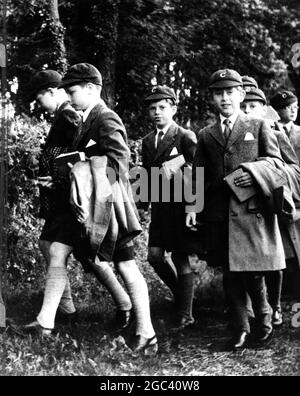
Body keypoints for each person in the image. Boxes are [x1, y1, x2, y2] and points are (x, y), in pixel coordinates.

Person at [24, 70, 134, 337]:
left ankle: (57, 316)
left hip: (76, 197)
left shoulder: (71, 115)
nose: (40, 106)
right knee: (72, 253)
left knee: (71, 253)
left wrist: (66, 179)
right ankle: (63, 313)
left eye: (40, 99)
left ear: (52, 92)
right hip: (67, 194)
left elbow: (89, 157)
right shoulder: (66, 115)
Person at [60, 63, 157, 353]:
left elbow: (118, 164)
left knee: (127, 266)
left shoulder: (106, 118)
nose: (70, 96)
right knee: (122, 265)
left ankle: (147, 333)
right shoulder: (86, 119)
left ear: (91, 88)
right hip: (99, 207)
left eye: (72, 91)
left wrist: (82, 170)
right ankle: (141, 328)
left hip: (112, 208)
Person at [186, 69, 286, 350]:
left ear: (241, 95)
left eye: (230, 92)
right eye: (219, 93)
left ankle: (264, 320)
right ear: (213, 98)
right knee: (230, 274)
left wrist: (253, 172)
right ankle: (240, 328)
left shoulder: (257, 126)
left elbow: (277, 165)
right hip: (219, 215)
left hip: (251, 212)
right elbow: (198, 175)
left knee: (253, 272)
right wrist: (193, 207)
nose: (225, 98)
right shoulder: (206, 134)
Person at [140, 86, 198, 329]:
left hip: (182, 206)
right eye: (152, 108)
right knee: (154, 256)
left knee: (180, 257)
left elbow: (196, 171)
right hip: (161, 208)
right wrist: (142, 201)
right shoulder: (147, 140)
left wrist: (193, 208)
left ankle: (186, 314)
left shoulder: (185, 136)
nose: (157, 112)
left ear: (173, 109)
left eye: (162, 107)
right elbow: (147, 173)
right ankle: (183, 296)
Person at [241, 86, 300, 327]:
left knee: (274, 257)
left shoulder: (273, 132)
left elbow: (293, 168)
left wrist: (261, 174)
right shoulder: (229, 134)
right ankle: (247, 312)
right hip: (242, 208)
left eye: (252, 107)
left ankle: (274, 307)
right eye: (244, 107)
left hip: (271, 202)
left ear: (264, 110)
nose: (248, 111)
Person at [270, 90, 300, 302]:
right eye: (287, 107)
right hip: (279, 191)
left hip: (298, 191)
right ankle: (286, 289)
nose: (293, 110)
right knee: (282, 240)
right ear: (277, 110)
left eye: (295, 106)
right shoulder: (268, 130)